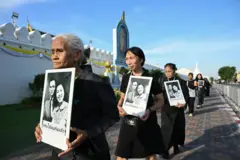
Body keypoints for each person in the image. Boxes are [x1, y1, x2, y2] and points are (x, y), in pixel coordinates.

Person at [34, 34, 120, 160]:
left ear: (77, 54)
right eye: (52, 52)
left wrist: (87, 133)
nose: (54, 57)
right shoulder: (54, 81)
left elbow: (112, 115)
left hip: (90, 153)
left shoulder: (97, 82)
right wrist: (43, 124)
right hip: (60, 153)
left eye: (59, 51)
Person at [115, 47, 166, 160]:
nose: (128, 61)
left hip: (147, 121)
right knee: (122, 154)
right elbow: (122, 99)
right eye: (127, 58)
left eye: (131, 58)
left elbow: (161, 100)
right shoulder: (126, 77)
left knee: (150, 155)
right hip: (129, 121)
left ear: (141, 60)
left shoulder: (151, 77)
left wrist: (149, 110)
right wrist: (119, 106)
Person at [159, 63, 189, 158]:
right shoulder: (161, 81)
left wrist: (183, 103)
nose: (167, 73)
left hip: (177, 109)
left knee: (177, 129)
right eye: (166, 71)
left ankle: (175, 146)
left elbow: (186, 95)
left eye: (169, 71)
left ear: (174, 71)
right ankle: (165, 151)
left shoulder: (181, 82)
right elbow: (158, 94)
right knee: (165, 130)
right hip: (166, 109)